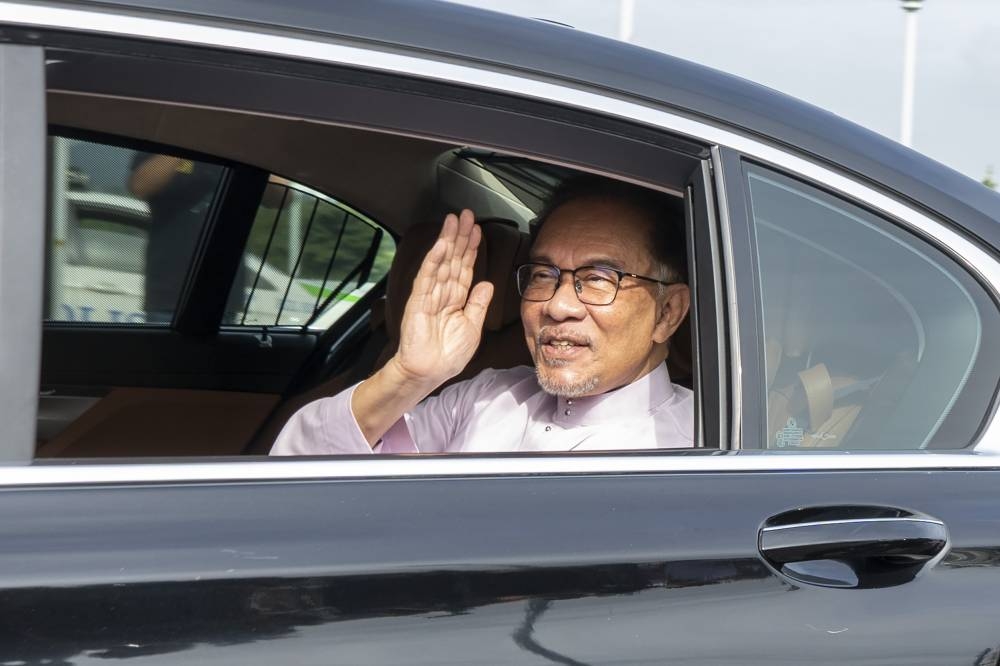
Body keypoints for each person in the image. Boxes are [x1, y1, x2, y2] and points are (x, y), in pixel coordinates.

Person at [271, 177, 693, 455]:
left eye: (600, 278)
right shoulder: (486, 397)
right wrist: (407, 377)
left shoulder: (697, 451)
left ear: (668, 313)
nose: (557, 306)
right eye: (544, 274)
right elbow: (294, 475)